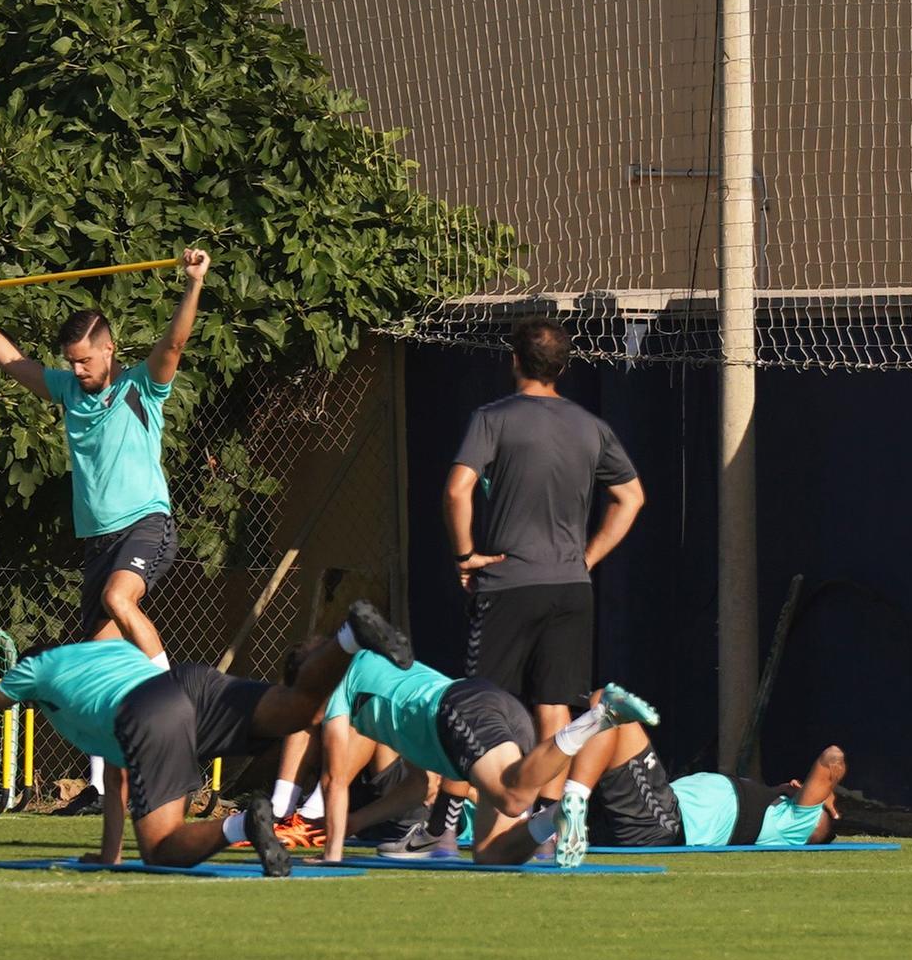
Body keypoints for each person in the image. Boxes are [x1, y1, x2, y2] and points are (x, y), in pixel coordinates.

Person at [0, 251, 210, 815]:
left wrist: (193, 283)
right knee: (93, 669)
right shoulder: (70, 393)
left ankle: (178, 719)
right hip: (98, 543)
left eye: (84, 361)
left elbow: (172, 346)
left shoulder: (142, 388)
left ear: (109, 350)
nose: (76, 371)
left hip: (147, 524)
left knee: (122, 598)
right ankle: (102, 787)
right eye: (70, 362)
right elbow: (12, 365)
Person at [0, 600, 416, 876]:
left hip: (153, 711)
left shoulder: (38, 668)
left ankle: (244, 824)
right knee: (297, 709)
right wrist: (107, 856)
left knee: (162, 848)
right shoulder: (106, 653)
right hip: (188, 684)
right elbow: (121, 771)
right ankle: (349, 637)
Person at [414, 316, 643, 855]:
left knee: (475, 702)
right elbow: (632, 498)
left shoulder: (493, 417)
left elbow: (456, 491)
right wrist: (584, 557)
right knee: (554, 707)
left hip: (510, 584)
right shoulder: (592, 426)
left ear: (513, 361)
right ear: (562, 367)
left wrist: (465, 555)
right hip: (570, 588)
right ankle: (547, 830)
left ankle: (441, 829)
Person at [315, 648, 659, 867]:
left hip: (461, 712)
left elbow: (334, 779)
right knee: (492, 854)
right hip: (488, 706)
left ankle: (599, 717)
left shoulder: (339, 687)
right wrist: (356, 824)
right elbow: (421, 786)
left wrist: (331, 855)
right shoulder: (376, 677)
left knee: (512, 798)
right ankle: (553, 816)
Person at [473, 709, 845, 864]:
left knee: (614, 714)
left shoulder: (795, 825)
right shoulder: (774, 809)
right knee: (493, 854)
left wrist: (828, 794)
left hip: (664, 826)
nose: (801, 784)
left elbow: (832, 757)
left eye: (817, 799)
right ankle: (555, 818)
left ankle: (571, 803)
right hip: (650, 811)